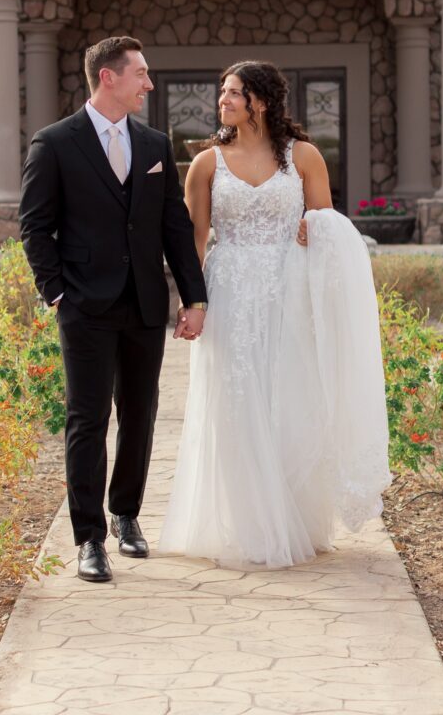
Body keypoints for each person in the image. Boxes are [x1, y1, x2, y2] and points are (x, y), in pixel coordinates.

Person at [159, 60, 391, 568]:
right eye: (223, 92)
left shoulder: (303, 157)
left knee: (287, 402)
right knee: (236, 404)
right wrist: (191, 302)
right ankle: (246, 526)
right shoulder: (207, 163)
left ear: (260, 101)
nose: (223, 100)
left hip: (289, 292)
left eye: (233, 92)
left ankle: (294, 521)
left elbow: (323, 226)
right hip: (230, 294)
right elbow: (195, 240)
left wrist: (313, 230)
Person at [19, 36, 207, 583]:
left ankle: (126, 515)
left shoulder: (153, 145)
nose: (149, 83)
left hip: (145, 303)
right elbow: (35, 227)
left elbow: (175, 226)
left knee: (140, 415)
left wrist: (193, 298)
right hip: (84, 306)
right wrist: (57, 292)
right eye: (141, 74)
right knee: (87, 418)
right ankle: (89, 538)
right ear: (108, 76)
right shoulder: (54, 143)